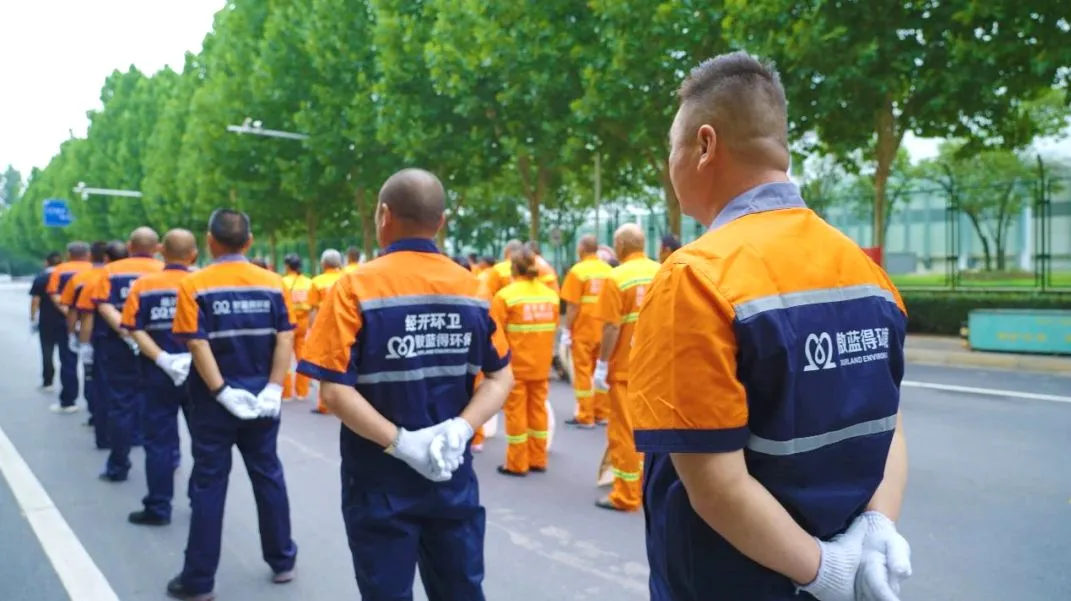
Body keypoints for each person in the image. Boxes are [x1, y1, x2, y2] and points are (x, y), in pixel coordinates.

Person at [628, 52, 911, 601]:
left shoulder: (696, 278)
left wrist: (822, 571)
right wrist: (876, 531)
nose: (671, 164)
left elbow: (714, 483)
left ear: (705, 145)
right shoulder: (867, 272)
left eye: (672, 148)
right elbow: (891, 426)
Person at [298, 168, 512, 601]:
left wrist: (400, 443)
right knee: (461, 589)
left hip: (378, 478)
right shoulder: (474, 289)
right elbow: (500, 376)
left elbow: (334, 391)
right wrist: (461, 428)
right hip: (451, 472)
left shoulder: (353, 286)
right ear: (442, 220)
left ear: (383, 215)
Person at [168, 208, 297, 600]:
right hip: (261, 399)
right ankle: (282, 560)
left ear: (209, 241)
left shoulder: (196, 285)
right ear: (250, 242)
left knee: (209, 483)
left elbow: (195, 341)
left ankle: (199, 580)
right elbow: (285, 338)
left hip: (212, 403)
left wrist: (221, 390)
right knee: (268, 474)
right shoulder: (275, 284)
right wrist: (274, 388)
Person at [121, 229, 198, 526]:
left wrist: (162, 358)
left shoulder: (144, 286)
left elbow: (132, 327)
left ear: (161, 252)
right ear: (193, 254)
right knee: (204, 442)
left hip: (156, 375)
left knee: (159, 443)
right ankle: (201, 499)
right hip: (198, 375)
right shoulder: (201, 282)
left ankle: (159, 507)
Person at [80, 228, 164, 481]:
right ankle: (167, 460)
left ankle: (118, 464)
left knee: (121, 403)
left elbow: (102, 307)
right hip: (161, 347)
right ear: (157, 248)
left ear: (130, 245)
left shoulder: (109, 272)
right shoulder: (165, 271)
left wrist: (128, 333)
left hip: (116, 347)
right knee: (161, 405)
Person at [589, 223, 660, 512]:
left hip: (625, 368)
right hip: (656, 365)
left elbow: (611, 327)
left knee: (624, 432)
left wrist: (603, 364)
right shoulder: (662, 271)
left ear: (620, 246)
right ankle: (648, 486)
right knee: (652, 429)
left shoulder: (617, 277)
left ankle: (627, 494)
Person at [489, 246, 559, 476]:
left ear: (512, 268)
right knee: (538, 411)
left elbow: (495, 336)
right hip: (541, 365)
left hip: (515, 366)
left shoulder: (506, 296)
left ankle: (517, 462)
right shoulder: (551, 296)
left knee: (516, 413)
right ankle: (538, 458)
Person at [559, 235, 613, 429]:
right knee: (601, 370)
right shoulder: (608, 270)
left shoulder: (577, 271)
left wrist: (567, 329)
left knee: (583, 372)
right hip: (605, 329)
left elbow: (572, 306)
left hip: (583, 330)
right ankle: (602, 413)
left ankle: (586, 415)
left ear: (581, 248)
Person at [59, 241, 109, 429]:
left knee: (93, 376)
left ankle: (96, 415)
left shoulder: (81, 279)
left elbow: (74, 310)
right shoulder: (119, 276)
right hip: (127, 337)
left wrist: (73, 334)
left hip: (93, 335)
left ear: (91, 256)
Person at [46, 241, 94, 413]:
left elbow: (54, 295)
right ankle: (94, 409)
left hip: (66, 323)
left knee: (68, 361)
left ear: (68, 254)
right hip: (94, 322)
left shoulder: (59, 270)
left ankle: (68, 400)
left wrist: (69, 313)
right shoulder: (94, 269)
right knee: (92, 366)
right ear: (88, 254)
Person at [306, 248, 345, 414]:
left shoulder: (316, 282)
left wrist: (312, 330)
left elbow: (313, 310)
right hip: (345, 327)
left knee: (324, 366)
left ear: (323, 263)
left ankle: (324, 405)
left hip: (326, 328)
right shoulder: (347, 278)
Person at [30, 251, 64, 392]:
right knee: (67, 354)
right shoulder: (66, 276)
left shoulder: (41, 278)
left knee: (47, 351)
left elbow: (35, 300)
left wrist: (33, 318)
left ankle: (48, 381)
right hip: (65, 319)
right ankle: (68, 383)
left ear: (46, 262)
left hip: (46, 320)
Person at [281, 254, 313, 401]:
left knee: (285, 358)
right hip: (304, 322)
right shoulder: (308, 282)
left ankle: (286, 393)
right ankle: (302, 392)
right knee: (301, 357)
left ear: (287, 266)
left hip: (288, 322)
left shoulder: (282, 282)